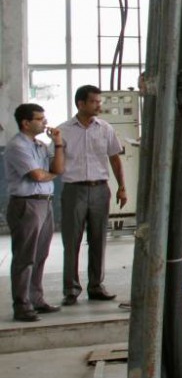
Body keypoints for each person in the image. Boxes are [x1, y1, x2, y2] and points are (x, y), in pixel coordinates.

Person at [58, 85, 127, 305]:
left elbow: (115, 158)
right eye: (95, 101)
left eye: (99, 101)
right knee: (72, 241)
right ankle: (71, 289)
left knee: (98, 240)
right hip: (73, 190)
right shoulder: (63, 131)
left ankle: (96, 286)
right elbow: (56, 162)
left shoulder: (105, 128)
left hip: (100, 189)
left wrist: (122, 186)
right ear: (81, 104)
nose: (99, 105)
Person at [5, 103, 66, 322]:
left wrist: (58, 144)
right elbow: (37, 176)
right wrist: (49, 175)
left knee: (40, 255)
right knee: (25, 257)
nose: (45, 122)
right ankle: (22, 305)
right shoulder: (17, 146)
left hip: (44, 203)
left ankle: (36, 299)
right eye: (40, 119)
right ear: (26, 123)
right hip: (26, 204)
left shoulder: (39, 145)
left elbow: (57, 169)